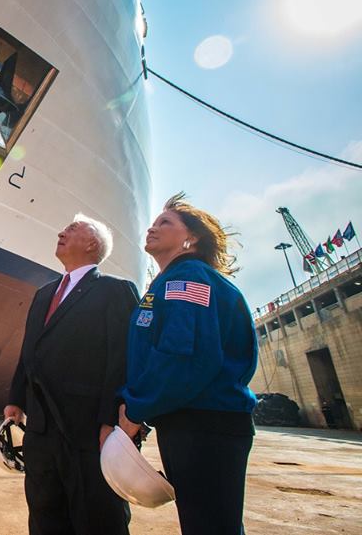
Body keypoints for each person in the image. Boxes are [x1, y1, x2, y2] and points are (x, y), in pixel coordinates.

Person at [118, 193, 258, 535]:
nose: (152, 228)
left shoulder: (188, 279)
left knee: (209, 526)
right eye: (153, 222)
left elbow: (184, 357)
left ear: (191, 238)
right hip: (194, 421)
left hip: (204, 426)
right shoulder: (172, 280)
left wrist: (136, 410)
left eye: (165, 222)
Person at [4, 214, 139, 535]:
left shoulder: (115, 291)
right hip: (41, 429)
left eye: (73, 229)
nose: (61, 232)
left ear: (92, 244)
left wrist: (111, 419)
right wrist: (16, 398)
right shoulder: (43, 294)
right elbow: (30, 351)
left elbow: (123, 358)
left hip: (89, 429)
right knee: (44, 514)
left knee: (98, 517)